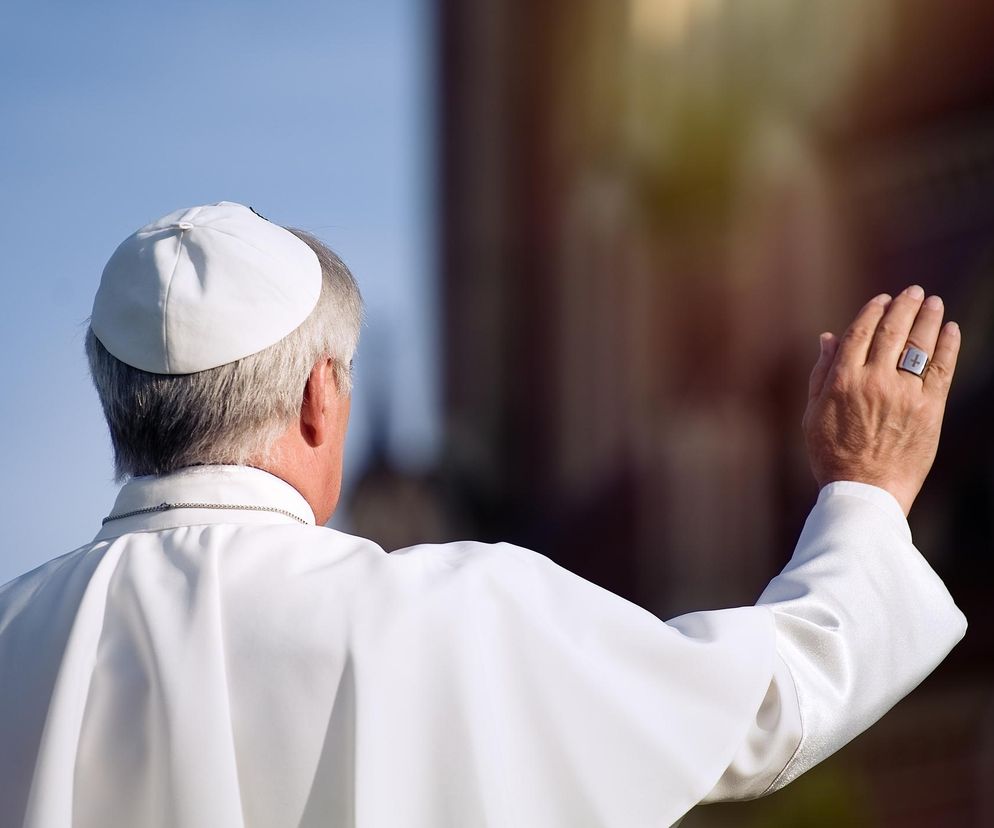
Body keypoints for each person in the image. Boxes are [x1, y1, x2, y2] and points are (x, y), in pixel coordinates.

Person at [0, 202, 965, 828]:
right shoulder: (454, 612)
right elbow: (765, 707)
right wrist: (865, 488)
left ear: (116, 406)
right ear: (319, 402)